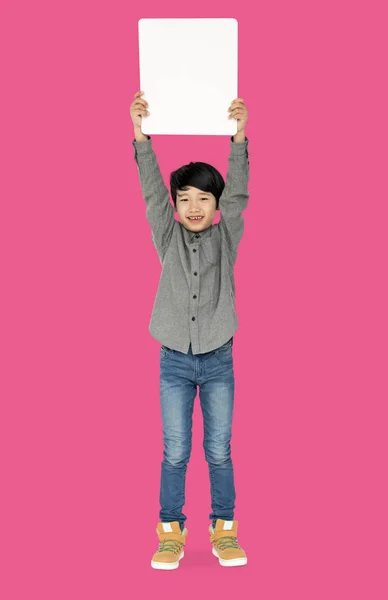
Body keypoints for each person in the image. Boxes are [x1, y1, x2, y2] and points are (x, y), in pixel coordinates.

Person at [130, 91, 250, 569]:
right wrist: (140, 136)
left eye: (204, 198)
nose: (194, 206)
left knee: (219, 450)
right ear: (176, 206)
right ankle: (170, 533)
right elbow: (152, 190)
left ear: (216, 204)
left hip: (219, 358)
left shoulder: (227, 234)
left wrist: (238, 138)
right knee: (175, 450)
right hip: (174, 360)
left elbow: (239, 194)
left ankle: (224, 530)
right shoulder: (166, 232)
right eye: (186, 199)